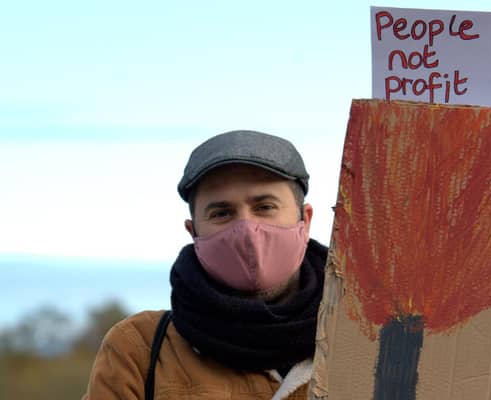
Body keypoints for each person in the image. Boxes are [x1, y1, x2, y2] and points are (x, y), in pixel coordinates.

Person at [82, 130, 329, 400]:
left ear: (305, 220)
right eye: (221, 213)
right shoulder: (138, 349)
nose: (246, 229)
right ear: (193, 232)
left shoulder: (366, 339)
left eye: (265, 206)